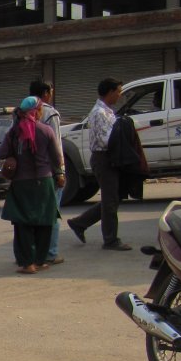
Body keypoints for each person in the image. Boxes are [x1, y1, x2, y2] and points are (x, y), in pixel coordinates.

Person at [0, 97, 65, 274]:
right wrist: (59, 174)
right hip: (44, 182)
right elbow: (57, 159)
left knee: (23, 224)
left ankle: (28, 264)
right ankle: (40, 261)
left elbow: (0, 153)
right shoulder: (46, 130)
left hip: (21, 184)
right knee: (45, 221)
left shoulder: (14, 132)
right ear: (38, 111)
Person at [66, 78, 131, 250]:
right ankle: (110, 240)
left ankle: (79, 223)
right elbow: (106, 140)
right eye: (118, 92)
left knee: (112, 198)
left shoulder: (108, 111)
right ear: (110, 92)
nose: (120, 95)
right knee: (110, 201)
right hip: (104, 159)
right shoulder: (99, 113)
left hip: (110, 159)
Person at [29, 80, 65, 265]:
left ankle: (31, 253)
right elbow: (55, 146)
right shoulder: (50, 113)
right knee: (52, 213)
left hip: (27, 174)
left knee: (31, 215)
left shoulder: (21, 113)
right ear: (45, 93)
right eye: (50, 91)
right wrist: (60, 172)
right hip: (47, 172)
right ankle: (50, 252)